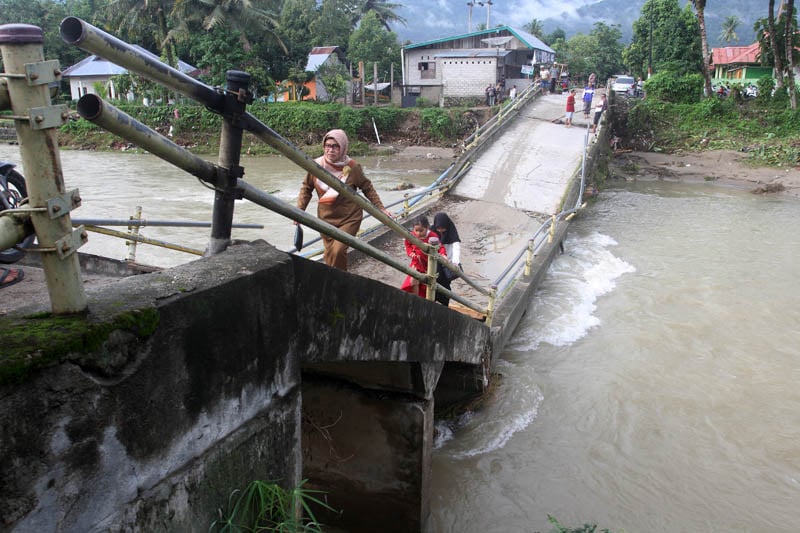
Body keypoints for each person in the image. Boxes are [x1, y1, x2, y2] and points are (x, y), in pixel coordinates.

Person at [296, 129, 392, 271]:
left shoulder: (352, 168)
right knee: (329, 254)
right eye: (328, 145)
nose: (331, 150)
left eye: (336, 146)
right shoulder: (315, 166)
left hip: (349, 218)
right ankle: (334, 282)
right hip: (325, 218)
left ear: (343, 147)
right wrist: (299, 211)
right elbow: (306, 189)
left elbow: (367, 188)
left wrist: (381, 208)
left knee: (338, 251)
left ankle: (339, 284)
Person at [401, 215, 445, 298]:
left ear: (427, 227)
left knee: (427, 284)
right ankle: (416, 299)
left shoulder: (432, 236)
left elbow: (440, 247)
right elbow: (408, 244)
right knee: (414, 281)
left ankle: (425, 299)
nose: (418, 233)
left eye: (421, 231)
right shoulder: (411, 235)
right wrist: (410, 253)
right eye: (416, 230)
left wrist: (443, 254)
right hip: (417, 262)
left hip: (428, 264)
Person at [432, 212, 462, 307]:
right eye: (438, 228)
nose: (440, 231)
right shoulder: (432, 231)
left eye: (443, 228)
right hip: (434, 262)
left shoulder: (451, 232)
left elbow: (456, 247)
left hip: (446, 263)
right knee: (432, 282)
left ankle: (443, 304)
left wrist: (455, 262)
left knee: (444, 284)